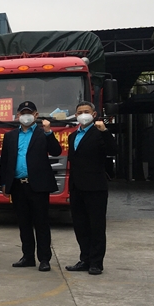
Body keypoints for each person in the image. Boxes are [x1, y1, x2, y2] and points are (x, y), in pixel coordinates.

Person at [0, 100, 62, 272]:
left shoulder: (43, 134)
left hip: (38, 185)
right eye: (22, 113)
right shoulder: (11, 136)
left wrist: (49, 132)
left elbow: (56, 151)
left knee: (41, 223)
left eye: (29, 113)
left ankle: (44, 259)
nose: (25, 116)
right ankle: (27, 256)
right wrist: (4, 183)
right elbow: (5, 161)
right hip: (18, 186)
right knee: (23, 223)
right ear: (18, 115)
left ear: (36, 115)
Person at [65, 101, 117, 276]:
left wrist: (105, 131)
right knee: (80, 226)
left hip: (95, 187)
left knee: (96, 226)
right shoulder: (73, 136)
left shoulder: (99, 133)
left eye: (86, 111)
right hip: (76, 187)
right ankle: (84, 259)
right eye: (79, 112)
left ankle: (96, 263)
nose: (83, 115)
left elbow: (113, 150)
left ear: (94, 114)